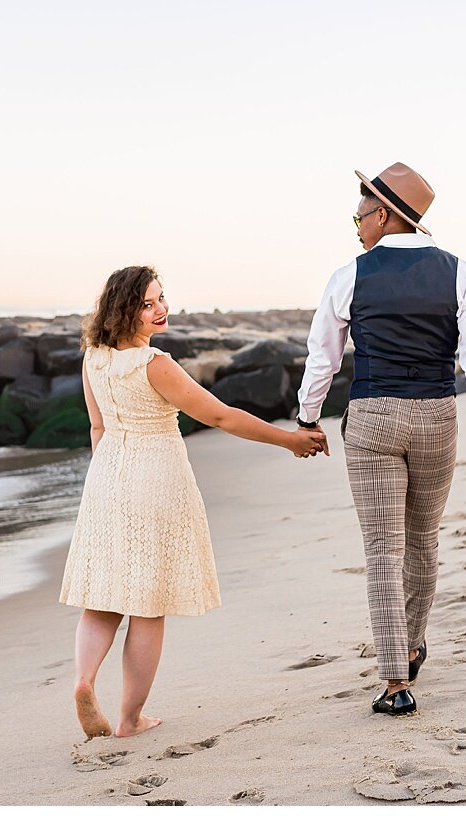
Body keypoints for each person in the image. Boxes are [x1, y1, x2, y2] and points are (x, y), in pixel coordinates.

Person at [59, 265, 326, 739]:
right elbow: (221, 416)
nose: (161, 309)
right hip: (155, 479)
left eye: (161, 298)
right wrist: (288, 440)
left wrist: (107, 481)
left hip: (106, 480)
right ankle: (129, 718)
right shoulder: (155, 364)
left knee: (102, 597)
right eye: (147, 303)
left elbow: (97, 428)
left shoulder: (94, 359)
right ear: (126, 310)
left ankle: (84, 680)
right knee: (148, 605)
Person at [295, 163, 466, 718]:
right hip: (438, 416)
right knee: (423, 539)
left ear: (385, 214)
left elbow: (324, 357)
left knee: (382, 550)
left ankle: (396, 681)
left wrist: (307, 417)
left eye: (361, 214)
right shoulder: (461, 273)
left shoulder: (348, 277)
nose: (357, 225)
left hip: (372, 418)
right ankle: (412, 643)